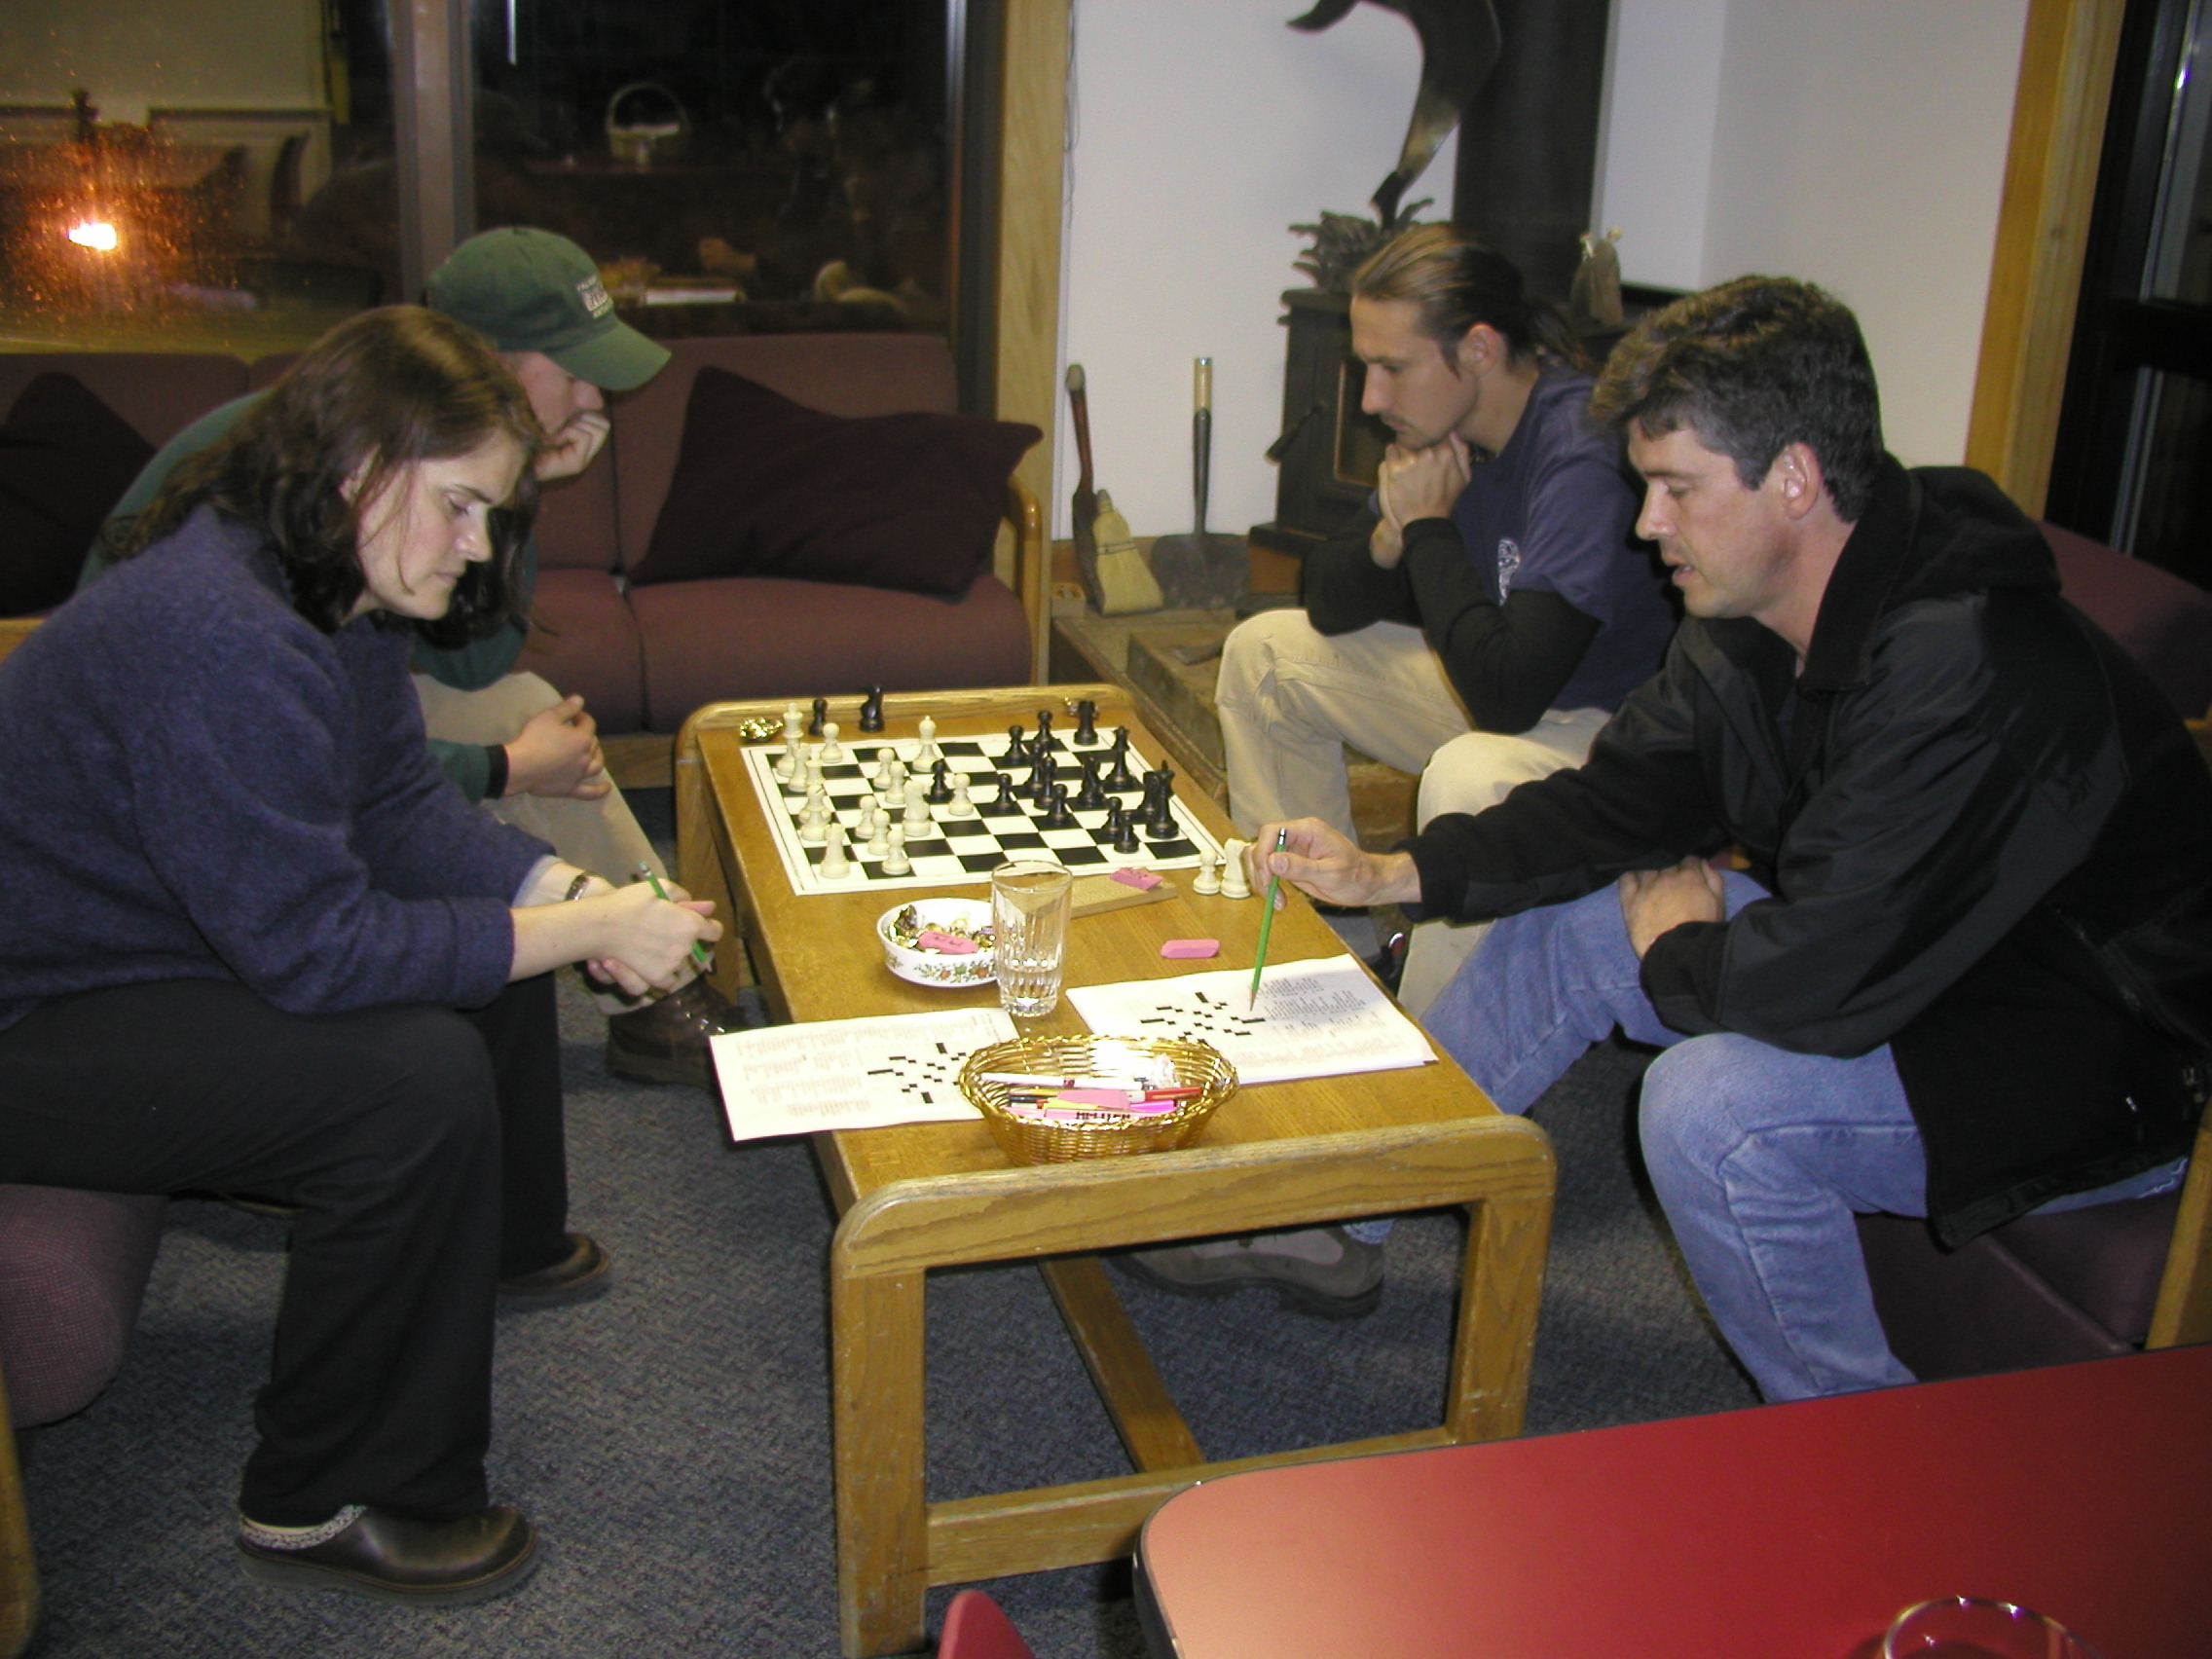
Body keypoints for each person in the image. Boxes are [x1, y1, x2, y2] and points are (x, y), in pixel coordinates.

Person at [1237, 276, 2212, 1394]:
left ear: (1792, 477)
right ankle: (1344, 1204)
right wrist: (1395, 871)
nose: (1647, 526)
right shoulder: (1746, 621)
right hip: (1921, 968)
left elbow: (1826, 983)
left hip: (2095, 1054)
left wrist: (1675, 954)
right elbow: (1616, 806)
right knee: (1580, 914)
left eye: (1673, 489)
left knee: (1710, 1112)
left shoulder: (1967, 664)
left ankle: (1865, 1448)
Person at [0, 307, 721, 1600]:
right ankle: (323, 1493)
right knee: (407, 1080)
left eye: (492, 515)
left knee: (474, 957)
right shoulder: (220, 629)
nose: (477, 549)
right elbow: (316, 957)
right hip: (34, 1020)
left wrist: (569, 888)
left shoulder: (330, 585)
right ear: (358, 470)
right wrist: (581, 929)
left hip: (141, 940)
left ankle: (498, 1238)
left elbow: (396, 813)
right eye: (457, 508)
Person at [81, 226, 741, 1091]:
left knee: (523, 697)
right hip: (168, 780)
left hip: (266, 724)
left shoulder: (404, 483)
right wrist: (501, 768)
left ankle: (650, 967)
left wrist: (515, 492)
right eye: (572, 369)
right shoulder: (313, 487)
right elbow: (265, 745)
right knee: (519, 734)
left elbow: (464, 669)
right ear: (481, 361)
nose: (596, 398)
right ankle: (650, 977)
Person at [1215, 224, 1675, 1015]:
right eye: (1366, 368)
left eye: (1393, 368)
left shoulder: (1581, 451)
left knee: (1472, 774)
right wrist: (1396, 536)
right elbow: (1326, 596)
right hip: (1507, 691)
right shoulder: (1443, 430)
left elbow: (1510, 696)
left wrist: (1428, 530)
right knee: (1265, 656)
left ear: (1479, 351)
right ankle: (1321, 956)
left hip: (1605, 733)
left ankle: (1430, 1059)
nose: (1371, 400)